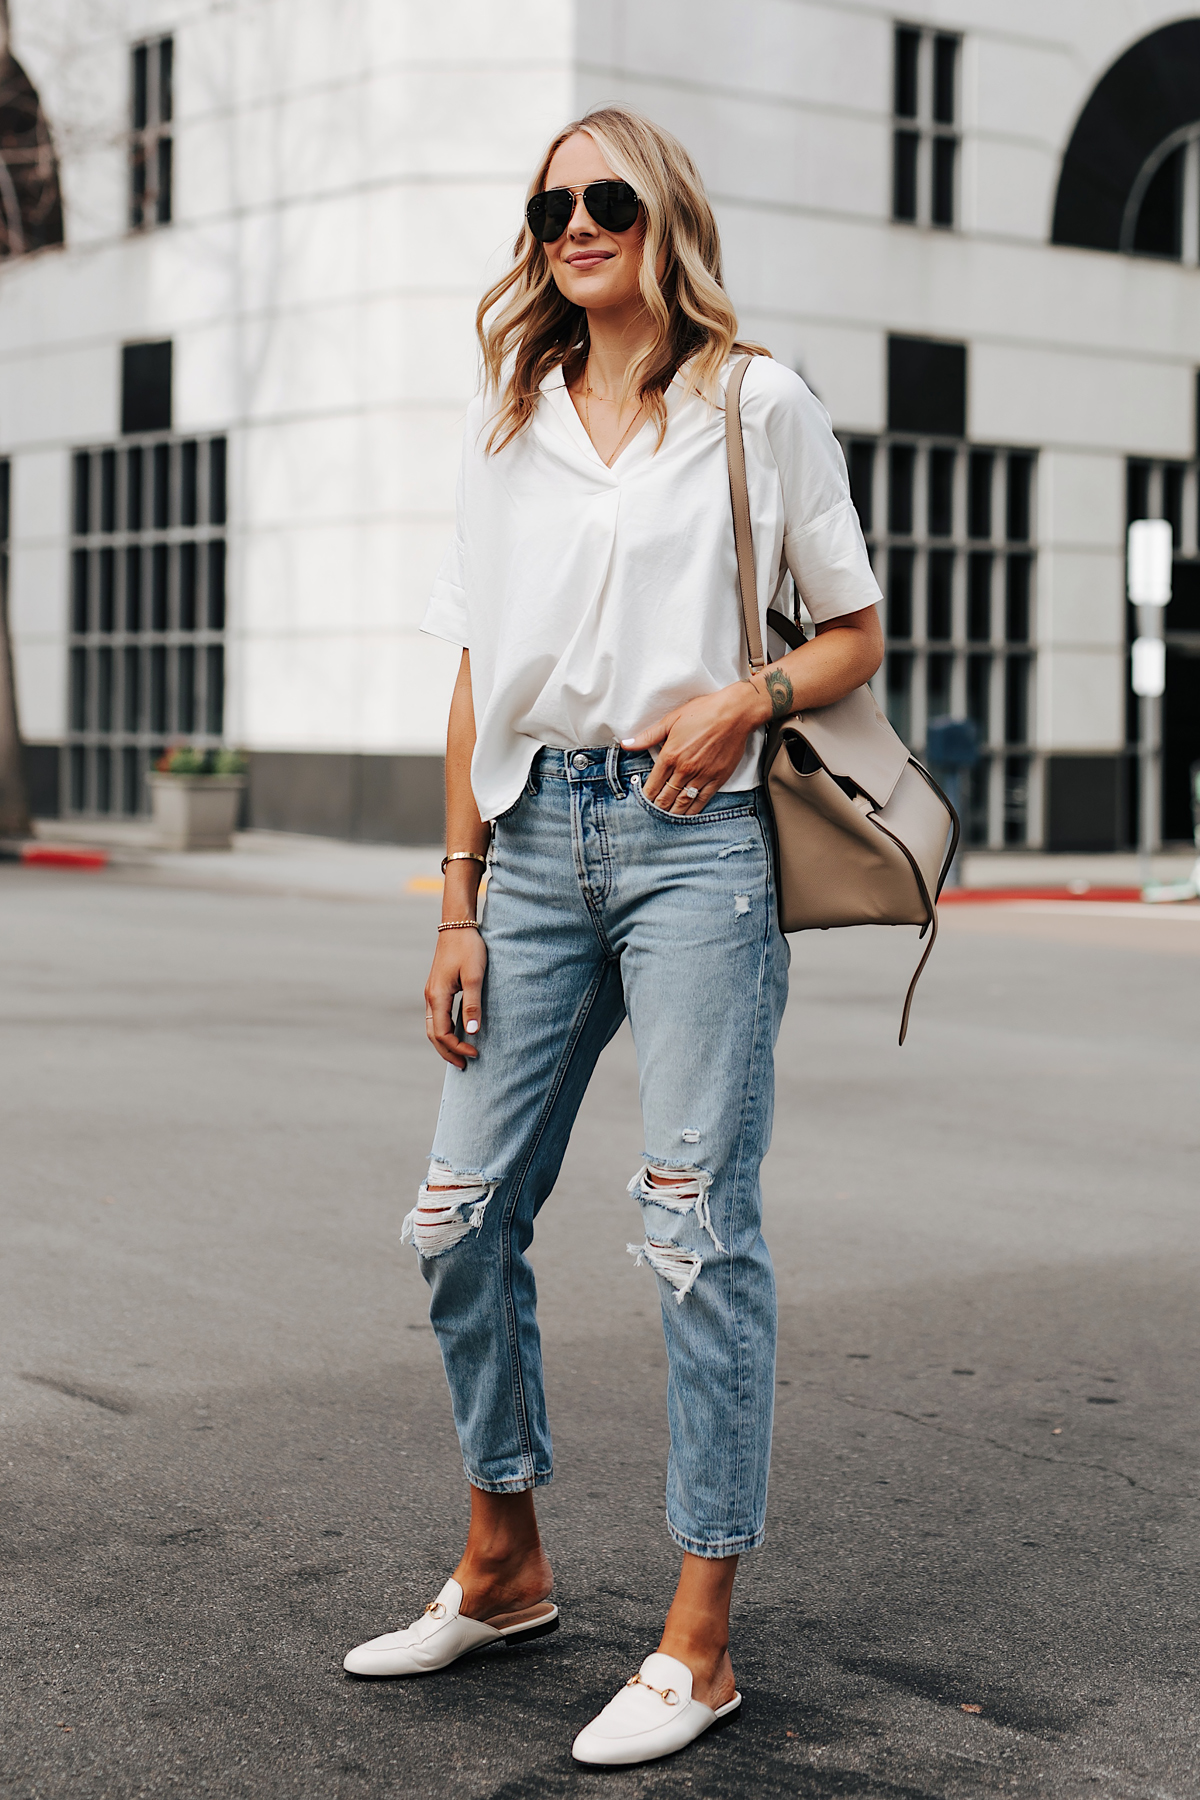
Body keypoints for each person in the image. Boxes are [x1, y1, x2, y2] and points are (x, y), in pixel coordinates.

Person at [343, 104, 883, 1767]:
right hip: (527, 846)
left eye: (607, 198)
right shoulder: (507, 423)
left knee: (692, 1227)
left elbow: (856, 631)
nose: (575, 224)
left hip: (695, 842)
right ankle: (505, 1560)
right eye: (550, 206)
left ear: (665, 217)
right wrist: (455, 898)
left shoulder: (754, 404)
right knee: (454, 1218)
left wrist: (745, 699)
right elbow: (470, 675)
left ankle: (699, 1640)